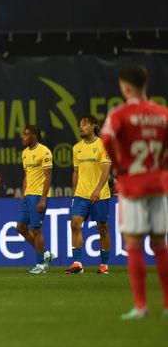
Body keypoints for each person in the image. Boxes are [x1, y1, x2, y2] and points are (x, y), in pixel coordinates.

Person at [100, 65, 168, 320]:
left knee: (134, 244)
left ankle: (141, 306)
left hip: (133, 186)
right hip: (158, 185)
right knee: (160, 245)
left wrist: (119, 167)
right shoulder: (162, 113)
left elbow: (107, 139)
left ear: (126, 87)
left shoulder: (119, 114)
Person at [66, 116, 112, 274]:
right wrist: (75, 193)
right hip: (81, 195)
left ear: (94, 126)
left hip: (100, 194)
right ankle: (77, 263)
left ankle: (104, 265)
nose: (81, 127)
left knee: (102, 228)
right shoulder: (76, 148)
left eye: (85, 124)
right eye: (80, 125)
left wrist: (98, 190)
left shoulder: (103, 145)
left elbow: (106, 170)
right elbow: (76, 172)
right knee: (74, 224)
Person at [16, 125, 57, 275]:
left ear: (33, 136)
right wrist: (23, 195)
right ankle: (45, 254)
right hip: (28, 196)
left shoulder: (44, 151)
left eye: (25, 134)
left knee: (36, 229)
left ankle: (40, 265)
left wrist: (43, 199)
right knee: (20, 227)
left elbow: (48, 177)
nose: (22, 137)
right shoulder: (25, 153)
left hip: (38, 195)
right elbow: (26, 176)